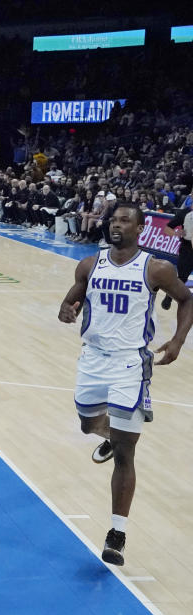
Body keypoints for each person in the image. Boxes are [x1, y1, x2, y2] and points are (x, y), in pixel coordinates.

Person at [58, 203, 191, 566]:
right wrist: (67, 309)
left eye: (124, 221)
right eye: (113, 220)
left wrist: (178, 340)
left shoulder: (157, 268)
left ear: (141, 228)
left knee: (127, 452)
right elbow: (71, 299)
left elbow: (186, 299)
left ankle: (117, 532)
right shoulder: (89, 264)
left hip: (130, 364)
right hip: (92, 359)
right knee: (88, 424)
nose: (116, 225)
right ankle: (107, 439)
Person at [160, 206, 192, 310]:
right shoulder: (185, 213)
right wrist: (176, 233)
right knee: (182, 277)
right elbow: (167, 228)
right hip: (187, 250)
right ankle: (169, 297)